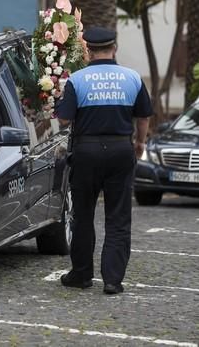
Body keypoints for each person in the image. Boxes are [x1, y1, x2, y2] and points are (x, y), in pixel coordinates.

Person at [55, 26, 152, 294]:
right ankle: (112, 280)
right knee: (118, 217)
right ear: (115, 48)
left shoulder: (77, 79)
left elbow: (64, 120)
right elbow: (144, 115)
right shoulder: (132, 77)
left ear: (87, 51)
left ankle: (82, 274)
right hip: (121, 149)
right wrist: (140, 143)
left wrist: (56, 103)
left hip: (86, 152)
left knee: (83, 215)